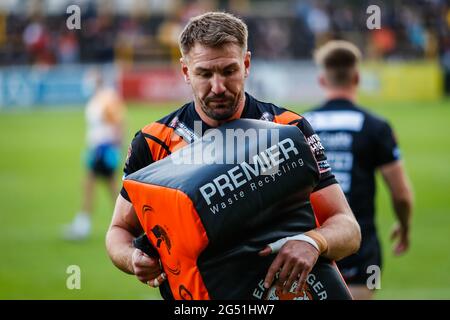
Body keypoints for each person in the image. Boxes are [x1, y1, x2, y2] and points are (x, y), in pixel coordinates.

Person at [105, 12, 361, 299]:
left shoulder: (287, 129)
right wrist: (132, 258)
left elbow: (348, 229)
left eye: (229, 71)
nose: (218, 87)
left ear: (246, 64)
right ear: (186, 72)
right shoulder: (153, 142)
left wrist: (314, 241)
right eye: (204, 73)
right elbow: (119, 229)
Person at [304, 40, 413, 299]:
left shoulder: (300, 125)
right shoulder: (376, 126)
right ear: (357, 77)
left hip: (312, 246)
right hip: (359, 247)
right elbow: (401, 195)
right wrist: (404, 226)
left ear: (322, 80)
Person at [64, 70, 125, 240]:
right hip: (97, 148)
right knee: (110, 187)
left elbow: (119, 122)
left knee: (90, 184)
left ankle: (83, 225)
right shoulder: (98, 98)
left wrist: (117, 147)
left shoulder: (106, 98)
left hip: (103, 148)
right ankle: (128, 223)